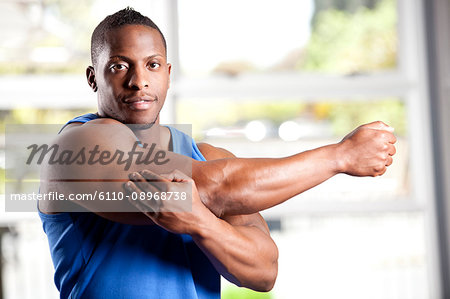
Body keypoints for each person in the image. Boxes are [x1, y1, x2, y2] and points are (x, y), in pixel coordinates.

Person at [38, 7, 396, 299]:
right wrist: (340, 156)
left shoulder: (207, 154)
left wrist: (201, 223)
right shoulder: (76, 146)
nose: (139, 80)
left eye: (152, 64)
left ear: (168, 73)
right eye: (119, 66)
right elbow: (215, 189)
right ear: (92, 77)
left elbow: (263, 270)